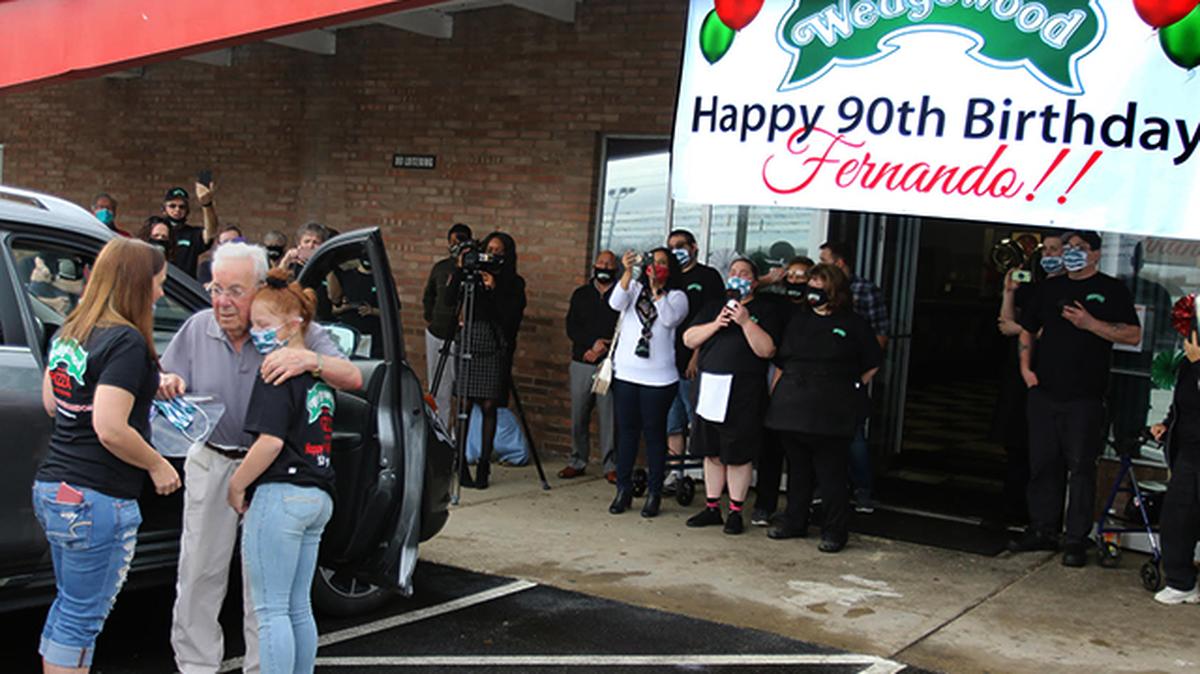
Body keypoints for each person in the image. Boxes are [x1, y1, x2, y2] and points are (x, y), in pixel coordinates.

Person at [159, 242, 362, 674]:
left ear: (260, 289)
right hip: (213, 458)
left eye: (235, 290)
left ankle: (260, 667)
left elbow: (353, 377)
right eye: (216, 289)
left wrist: (309, 358)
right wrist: (169, 379)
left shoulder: (287, 328)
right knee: (199, 572)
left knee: (264, 586)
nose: (223, 302)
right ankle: (196, 666)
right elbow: (164, 373)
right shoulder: (197, 328)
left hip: (270, 471)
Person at [33, 237, 182, 673]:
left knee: (68, 609)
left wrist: (149, 384)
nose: (160, 293)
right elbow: (110, 426)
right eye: (158, 283)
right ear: (138, 284)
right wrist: (157, 464)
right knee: (82, 619)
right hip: (97, 494)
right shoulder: (127, 341)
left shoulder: (70, 330)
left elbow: (52, 403)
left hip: (54, 487)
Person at [228, 269, 336, 673]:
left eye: (262, 324)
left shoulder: (274, 372)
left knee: (271, 610)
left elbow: (269, 442)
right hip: (318, 492)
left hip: (280, 492)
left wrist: (237, 485)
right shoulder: (316, 377)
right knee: (297, 607)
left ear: (294, 325)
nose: (255, 332)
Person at [1011, 230, 1141, 567]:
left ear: (1096, 254)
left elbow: (1132, 333)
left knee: (1081, 468)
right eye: (1068, 248)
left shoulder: (1111, 290)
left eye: (1079, 248)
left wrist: (1090, 323)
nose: (1071, 253)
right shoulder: (1050, 287)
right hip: (1044, 392)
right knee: (1042, 464)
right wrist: (1026, 369)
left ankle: (1076, 539)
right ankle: (1042, 529)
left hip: (1085, 396)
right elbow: (1026, 327)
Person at [764, 263, 882, 552]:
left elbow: (872, 363)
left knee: (831, 474)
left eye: (820, 286)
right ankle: (795, 522)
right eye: (811, 285)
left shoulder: (853, 323)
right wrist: (775, 397)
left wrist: (849, 387)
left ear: (835, 290)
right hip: (792, 406)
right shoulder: (798, 320)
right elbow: (781, 363)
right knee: (798, 471)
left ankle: (834, 531)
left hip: (832, 409)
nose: (814, 291)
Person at [683, 258, 782, 534]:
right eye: (734, 272)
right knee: (712, 451)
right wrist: (717, 323)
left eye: (744, 273)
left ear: (754, 280)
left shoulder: (765, 310)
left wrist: (745, 321)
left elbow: (767, 351)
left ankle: (736, 511)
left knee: (738, 454)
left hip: (744, 391)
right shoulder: (714, 306)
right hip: (711, 387)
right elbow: (689, 339)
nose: (737, 276)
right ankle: (712, 506)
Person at [608, 248, 688, 517]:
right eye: (653, 263)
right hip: (626, 375)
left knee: (655, 435)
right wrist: (628, 273)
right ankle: (623, 489)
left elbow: (668, 319)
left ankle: (654, 493)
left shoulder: (677, 296)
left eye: (663, 263)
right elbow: (615, 303)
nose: (657, 267)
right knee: (627, 433)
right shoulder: (634, 289)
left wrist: (657, 292)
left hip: (659, 379)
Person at [444, 232, 526, 489]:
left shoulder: (513, 282)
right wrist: (460, 270)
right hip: (470, 338)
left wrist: (494, 289)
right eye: (489, 248)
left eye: (498, 250)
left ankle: (484, 464)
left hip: (494, 343)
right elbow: (448, 300)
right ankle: (459, 462)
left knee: (490, 405)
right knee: (465, 404)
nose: (492, 254)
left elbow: (510, 317)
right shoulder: (471, 275)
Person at [992, 234, 1064, 525]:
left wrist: (1020, 328)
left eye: (1053, 249)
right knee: (1016, 443)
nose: (1047, 254)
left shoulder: (1068, 291)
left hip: (1048, 374)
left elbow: (1043, 331)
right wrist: (1009, 291)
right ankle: (1011, 509)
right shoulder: (1034, 288)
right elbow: (1004, 324)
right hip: (1018, 374)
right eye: (1044, 249)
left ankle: (1041, 518)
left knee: (1043, 449)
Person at [819, 241, 889, 513]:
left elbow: (880, 335)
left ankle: (863, 490)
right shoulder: (819, 293)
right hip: (822, 376)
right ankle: (825, 488)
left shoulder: (864, 291)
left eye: (825, 260)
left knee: (854, 435)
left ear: (839, 263)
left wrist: (864, 373)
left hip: (852, 375)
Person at [751, 255, 814, 526]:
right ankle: (764, 506)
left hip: (806, 383)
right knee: (771, 447)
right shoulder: (774, 303)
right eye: (791, 275)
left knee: (802, 452)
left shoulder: (817, 309)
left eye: (802, 276)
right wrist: (768, 279)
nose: (795, 281)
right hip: (774, 376)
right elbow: (747, 288)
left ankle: (802, 508)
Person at [665, 229, 725, 488]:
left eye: (681, 245)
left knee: (697, 420)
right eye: (671, 247)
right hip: (667, 363)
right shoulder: (668, 279)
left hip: (694, 362)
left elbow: (713, 320)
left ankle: (704, 472)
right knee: (672, 423)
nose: (676, 250)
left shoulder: (708, 277)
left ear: (694, 247)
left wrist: (696, 357)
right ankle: (675, 473)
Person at [1149, 330, 1200, 605]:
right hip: (1190, 450)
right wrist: (1167, 424)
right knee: (1178, 515)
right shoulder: (1187, 363)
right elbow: (1183, 404)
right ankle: (1181, 581)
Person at [561, 250, 620, 482]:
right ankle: (577, 460)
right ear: (594, 265)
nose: (604, 266)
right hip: (582, 361)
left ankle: (610, 466)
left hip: (608, 364)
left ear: (616, 268)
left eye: (609, 263)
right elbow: (571, 326)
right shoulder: (581, 294)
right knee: (578, 415)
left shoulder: (620, 296)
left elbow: (624, 327)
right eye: (601, 262)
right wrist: (589, 345)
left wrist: (604, 347)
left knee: (609, 418)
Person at [422, 223, 473, 429]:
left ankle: (462, 437)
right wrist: (431, 317)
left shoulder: (475, 269)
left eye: (459, 241)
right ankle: (441, 429)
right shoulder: (442, 268)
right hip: (438, 332)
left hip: (464, 336)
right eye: (451, 242)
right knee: (439, 388)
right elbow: (429, 296)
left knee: (463, 389)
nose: (455, 246)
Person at [329, 251, 383, 358]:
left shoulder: (381, 279)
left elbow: (391, 311)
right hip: (347, 333)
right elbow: (334, 308)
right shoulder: (347, 276)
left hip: (370, 335)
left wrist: (371, 311)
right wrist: (346, 307)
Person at [161, 185, 219, 278]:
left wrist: (207, 204)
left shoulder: (192, 234)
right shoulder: (156, 231)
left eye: (182, 207)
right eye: (172, 206)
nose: (177, 209)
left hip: (185, 288)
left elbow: (211, 232)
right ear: (164, 209)